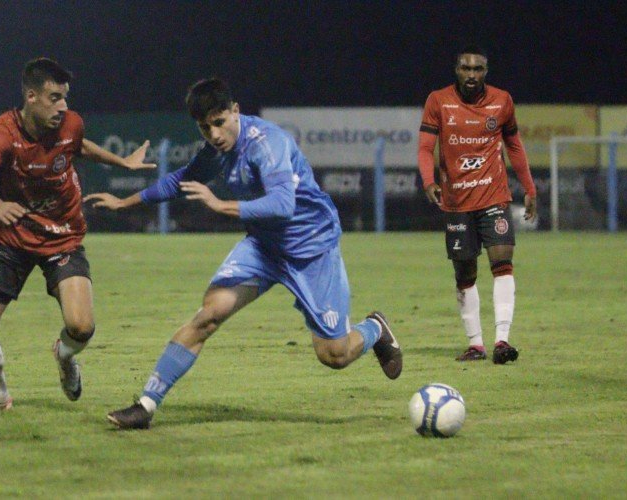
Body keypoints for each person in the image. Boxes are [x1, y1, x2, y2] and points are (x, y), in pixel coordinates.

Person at [84, 78, 403, 430]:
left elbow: (283, 205)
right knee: (210, 313)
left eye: (219, 122)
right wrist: (125, 201)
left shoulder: (267, 145)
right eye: (205, 128)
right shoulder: (218, 151)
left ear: (236, 111)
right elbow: (180, 180)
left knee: (335, 355)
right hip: (264, 248)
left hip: (312, 249)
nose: (214, 134)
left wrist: (220, 204)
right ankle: (145, 405)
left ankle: (374, 328)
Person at [0, 57, 155, 412]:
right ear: (31, 96)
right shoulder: (4, 131)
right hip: (11, 240)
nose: (63, 107)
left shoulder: (70, 122)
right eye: (54, 98)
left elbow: (78, 145)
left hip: (63, 236)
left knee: (81, 327)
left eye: (65, 97)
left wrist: (122, 162)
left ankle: (64, 356)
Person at [417, 45, 537, 364]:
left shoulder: (503, 100)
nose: (472, 75)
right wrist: (429, 181)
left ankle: (502, 340)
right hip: (457, 202)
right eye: (466, 68)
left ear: (486, 72)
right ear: (456, 70)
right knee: (465, 272)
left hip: (493, 195)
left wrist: (529, 187)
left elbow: (514, 145)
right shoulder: (438, 101)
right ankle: (476, 344)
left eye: (478, 69)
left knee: (502, 260)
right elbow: (426, 148)